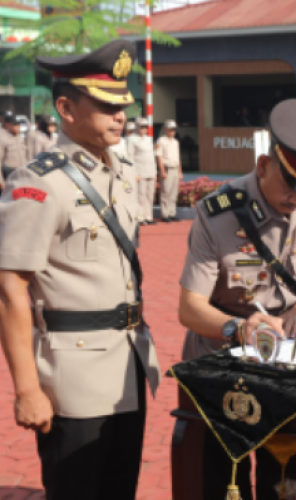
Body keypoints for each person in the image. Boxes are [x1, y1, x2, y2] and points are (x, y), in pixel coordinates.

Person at [0, 39, 161, 500]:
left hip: (128, 363)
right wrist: (27, 389)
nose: (120, 116)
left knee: (119, 489)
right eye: (106, 105)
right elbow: (11, 288)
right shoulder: (38, 182)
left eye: (122, 105)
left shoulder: (121, 171)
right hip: (72, 377)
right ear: (66, 108)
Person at [178, 98, 296, 500]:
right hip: (221, 361)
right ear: (263, 166)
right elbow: (189, 308)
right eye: (291, 186)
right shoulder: (217, 213)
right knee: (222, 484)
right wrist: (240, 329)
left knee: (282, 484)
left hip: (283, 364)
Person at [128, 117, 158, 225]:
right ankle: (140, 218)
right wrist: (134, 173)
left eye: (146, 127)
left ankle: (148, 217)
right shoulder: (132, 139)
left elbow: (152, 157)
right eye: (142, 127)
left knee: (150, 195)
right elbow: (130, 157)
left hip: (150, 171)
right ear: (137, 127)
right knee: (140, 196)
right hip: (140, 172)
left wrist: (155, 172)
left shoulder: (149, 139)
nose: (144, 129)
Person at [155, 119, 182, 222]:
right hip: (167, 168)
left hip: (175, 168)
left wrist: (180, 171)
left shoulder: (176, 142)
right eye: (170, 129)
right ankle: (165, 214)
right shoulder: (161, 140)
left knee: (173, 192)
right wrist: (162, 171)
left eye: (174, 130)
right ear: (165, 130)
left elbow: (178, 158)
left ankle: (172, 213)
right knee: (165, 192)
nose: (172, 132)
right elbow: (159, 156)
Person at [0, 113, 29, 188]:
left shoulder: (22, 138)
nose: (18, 127)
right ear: (8, 125)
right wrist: (1, 181)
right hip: (9, 173)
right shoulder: (3, 139)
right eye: (15, 125)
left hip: (22, 172)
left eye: (19, 125)